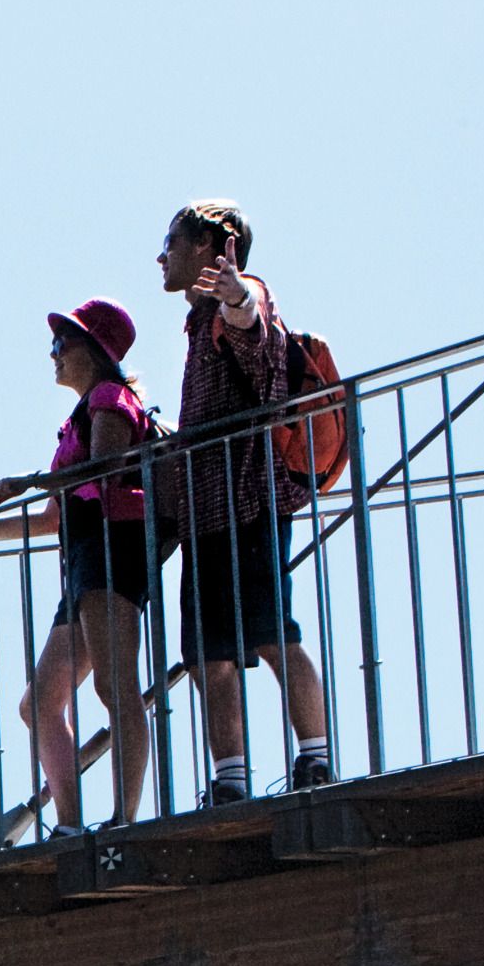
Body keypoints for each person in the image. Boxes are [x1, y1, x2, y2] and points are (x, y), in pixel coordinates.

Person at [0, 299, 157, 833]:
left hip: (112, 551)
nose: (54, 353)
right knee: (39, 703)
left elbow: (105, 468)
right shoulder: (79, 416)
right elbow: (51, 520)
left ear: (94, 350)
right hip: (86, 560)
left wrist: (30, 480)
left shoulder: (110, 398)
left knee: (115, 687)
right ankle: (70, 826)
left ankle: (122, 822)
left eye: (64, 342)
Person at [159, 199, 332, 801]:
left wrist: (237, 296)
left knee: (271, 633)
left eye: (173, 242)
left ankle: (315, 760)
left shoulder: (239, 295)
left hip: (251, 501)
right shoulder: (196, 321)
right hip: (207, 510)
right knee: (210, 653)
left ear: (210, 247)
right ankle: (230, 780)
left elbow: (257, 338)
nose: (162, 256)